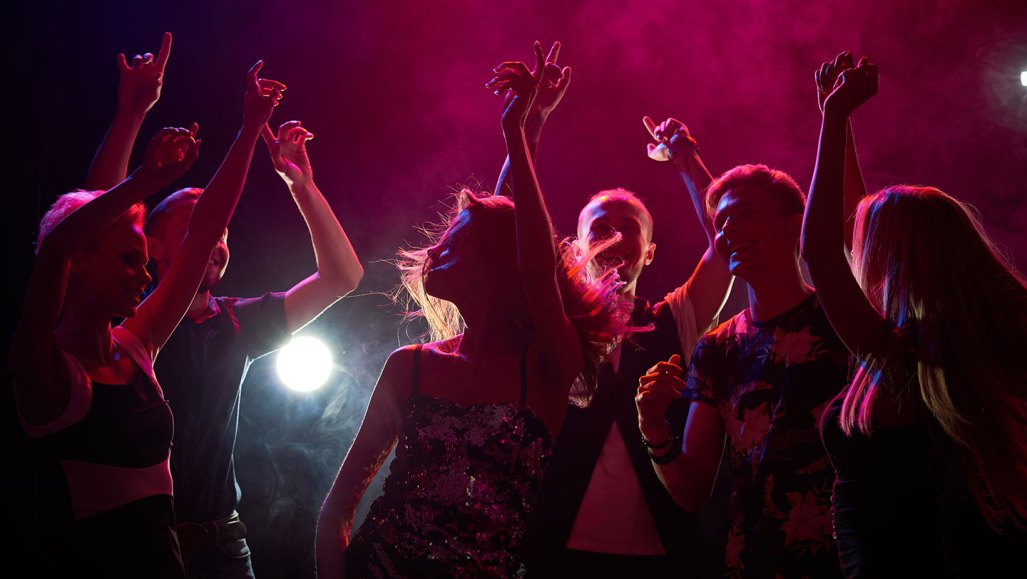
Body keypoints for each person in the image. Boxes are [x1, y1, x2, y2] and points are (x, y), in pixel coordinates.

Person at [315, 42, 631, 577]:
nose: (436, 249)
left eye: (455, 242)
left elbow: (530, 259)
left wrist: (518, 134)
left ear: (495, 265)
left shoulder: (549, 365)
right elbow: (339, 505)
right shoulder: (411, 364)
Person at [11, 54, 283, 578]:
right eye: (127, 259)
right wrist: (141, 179)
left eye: (142, 258)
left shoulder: (138, 346)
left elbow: (205, 229)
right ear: (82, 261)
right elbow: (56, 249)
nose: (143, 274)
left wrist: (250, 127)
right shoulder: (44, 370)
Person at [512, 44, 735, 578]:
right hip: (553, 551)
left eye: (628, 229)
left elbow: (730, 241)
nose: (613, 238)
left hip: (665, 554)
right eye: (599, 229)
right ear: (575, 247)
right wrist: (529, 124)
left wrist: (687, 160)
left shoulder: (674, 318)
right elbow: (510, 225)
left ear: (650, 252)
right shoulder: (551, 319)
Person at [803, 53, 1027, 577]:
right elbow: (850, 227)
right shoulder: (955, 346)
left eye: (868, 246)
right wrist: (838, 122)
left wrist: (834, 120)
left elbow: (822, 252)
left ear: (895, 259)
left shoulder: (901, 357)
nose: (857, 253)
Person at [143, 118, 362, 578]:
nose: (215, 240)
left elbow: (343, 277)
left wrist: (301, 186)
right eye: (197, 226)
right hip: (140, 548)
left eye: (221, 231)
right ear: (152, 245)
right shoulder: (125, 326)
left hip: (223, 551)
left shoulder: (236, 321)